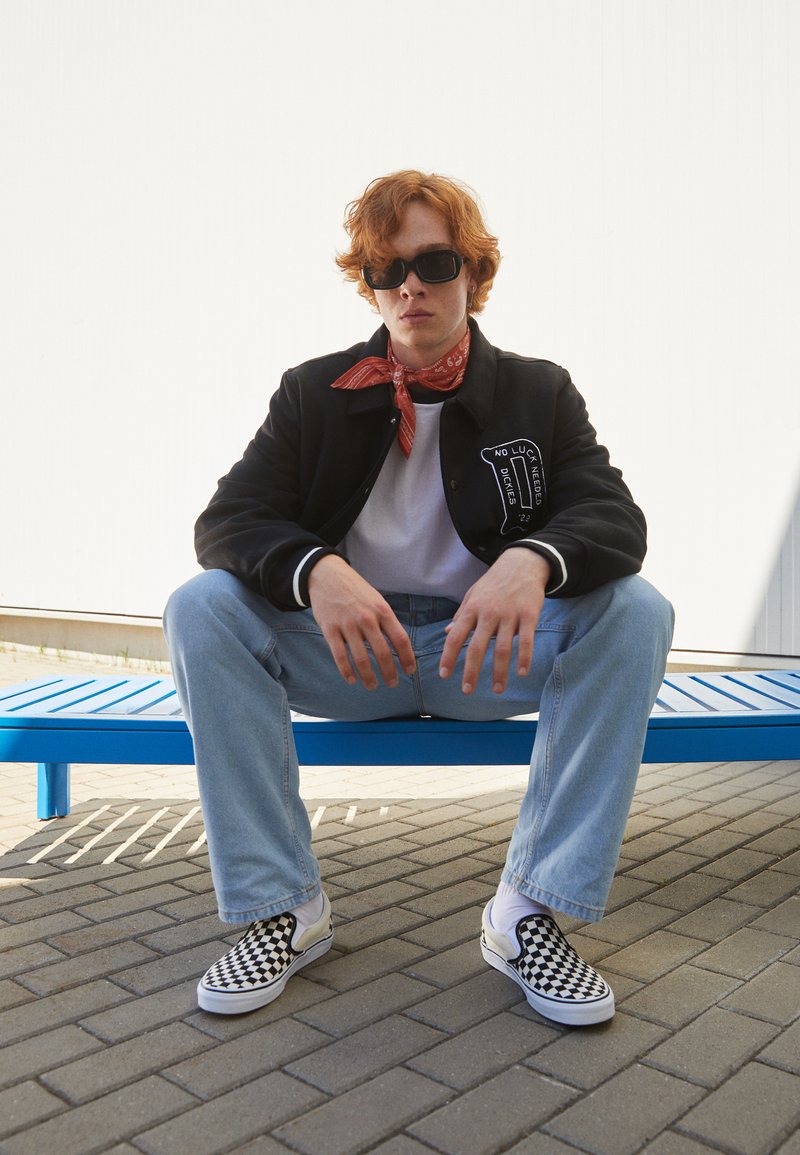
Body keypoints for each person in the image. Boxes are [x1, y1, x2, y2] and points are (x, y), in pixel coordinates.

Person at [164, 170, 674, 1028]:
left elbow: (613, 516)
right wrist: (316, 570)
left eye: (435, 263)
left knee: (636, 609)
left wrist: (534, 560)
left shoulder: (539, 391)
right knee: (201, 605)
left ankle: (529, 911)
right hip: (352, 657)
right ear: (369, 283)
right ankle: (283, 906)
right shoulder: (314, 391)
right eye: (386, 269)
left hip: (486, 654)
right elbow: (229, 520)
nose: (410, 287)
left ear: (474, 273)